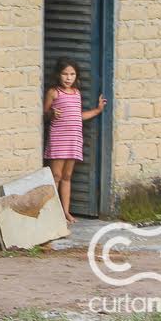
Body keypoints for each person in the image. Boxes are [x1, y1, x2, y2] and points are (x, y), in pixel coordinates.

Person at [43, 57, 106, 223]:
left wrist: (98, 110)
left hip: (73, 139)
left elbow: (78, 116)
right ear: (58, 75)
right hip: (58, 139)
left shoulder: (76, 94)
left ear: (76, 76)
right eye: (65, 74)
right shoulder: (53, 92)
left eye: (72, 74)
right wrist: (51, 114)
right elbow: (44, 113)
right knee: (55, 175)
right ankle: (51, 212)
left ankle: (65, 212)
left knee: (67, 176)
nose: (68, 77)